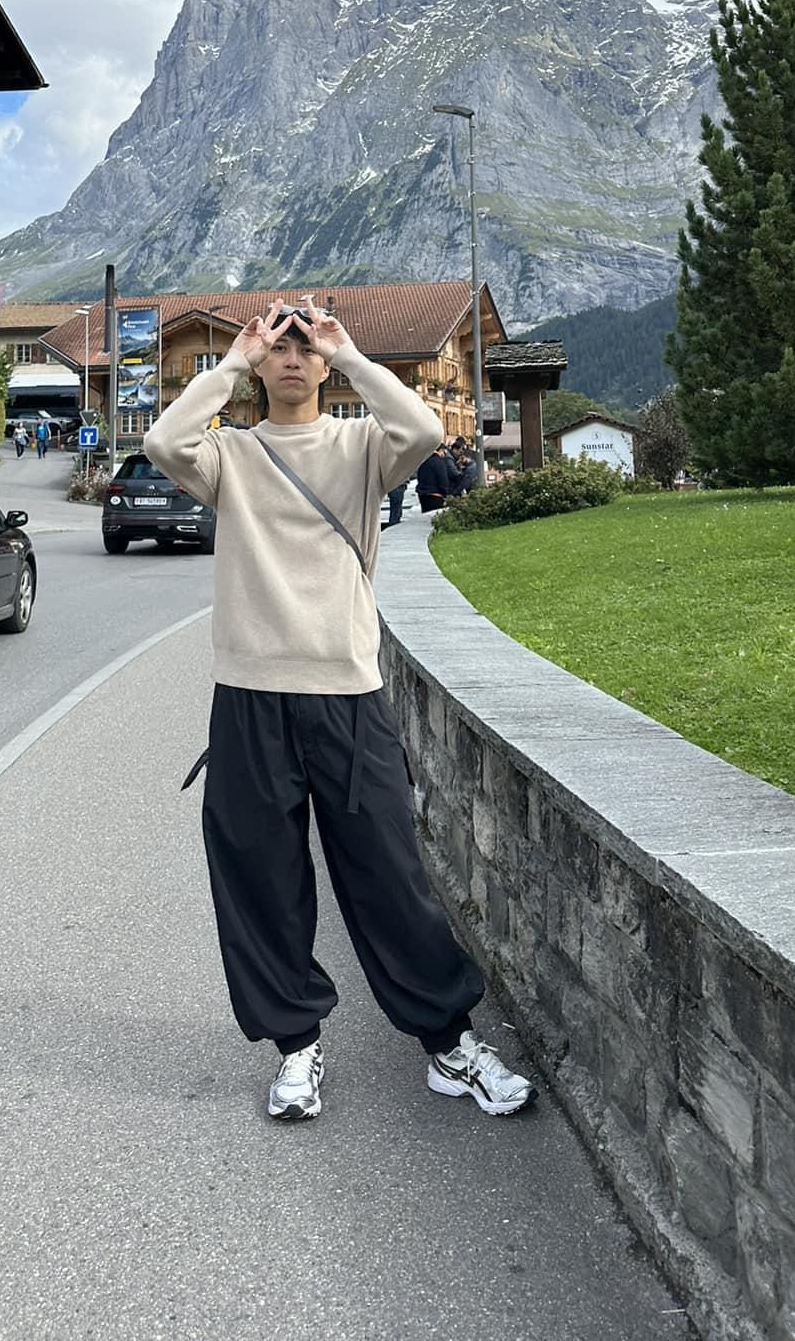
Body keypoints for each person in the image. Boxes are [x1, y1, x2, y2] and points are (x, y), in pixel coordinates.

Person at [146, 296, 535, 1124]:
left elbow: (426, 434)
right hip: (249, 697)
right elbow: (162, 442)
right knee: (261, 881)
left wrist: (351, 351)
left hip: (347, 695)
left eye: (303, 347)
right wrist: (230, 362)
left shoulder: (362, 447)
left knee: (389, 874)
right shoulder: (232, 456)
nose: (291, 356)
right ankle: (295, 1048)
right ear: (262, 368)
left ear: (323, 366)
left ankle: (447, 1043)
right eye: (278, 347)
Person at [415, 442, 455, 515]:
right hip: (435, 495)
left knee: (425, 516)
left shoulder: (424, 460)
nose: (444, 454)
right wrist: (446, 492)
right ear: (440, 450)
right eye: (444, 452)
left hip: (422, 494)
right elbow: (443, 480)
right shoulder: (439, 462)